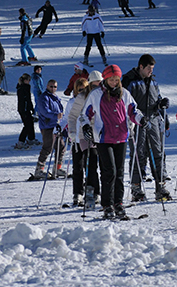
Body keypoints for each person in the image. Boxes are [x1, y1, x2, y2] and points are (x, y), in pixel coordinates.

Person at [80, 65, 146, 219]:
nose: (114, 82)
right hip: (103, 138)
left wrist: (142, 120)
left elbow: (133, 112)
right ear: (106, 79)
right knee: (109, 171)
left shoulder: (125, 94)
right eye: (111, 79)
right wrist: (85, 127)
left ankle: (118, 203)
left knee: (119, 173)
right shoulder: (96, 95)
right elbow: (84, 114)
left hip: (121, 137)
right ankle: (107, 204)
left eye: (116, 79)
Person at [122, 54, 171, 202]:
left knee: (158, 151)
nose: (151, 71)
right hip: (137, 120)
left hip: (153, 120)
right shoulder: (130, 81)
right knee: (139, 153)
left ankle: (160, 185)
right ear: (141, 67)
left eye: (153, 69)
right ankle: (136, 186)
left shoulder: (153, 81)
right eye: (149, 68)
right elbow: (124, 102)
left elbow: (157, 99)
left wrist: (162, 108)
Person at [66, 78, 100, 207]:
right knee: (78, 166)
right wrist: (70, 132)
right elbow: (69, 117)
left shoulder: (97, 97)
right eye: (80, 89)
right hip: (78, 136)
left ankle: (94, 192)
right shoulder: (73, 101)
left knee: (91, 165)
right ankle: (78, 193)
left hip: (92, 136)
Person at [29, 80, 66, 180]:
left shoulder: (55, 98)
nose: (53, 88)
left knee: (61, 147)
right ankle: (39, 169)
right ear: (47, 86)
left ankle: (57, 168)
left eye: (55, 87)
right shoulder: (44, 97)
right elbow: (44, 111)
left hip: (56, 126)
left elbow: (60, 110)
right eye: (51, 86)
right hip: (48, 126)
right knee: (47, 147)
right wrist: (56, 115)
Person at [15, 73, 39, 149]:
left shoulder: (25, 87)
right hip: (23, 109)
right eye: (28, 80)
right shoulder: (23, 88)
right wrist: (27, 108)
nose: (29, 81)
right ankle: (21, 141)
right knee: (27, 125)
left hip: (26, 108)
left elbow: (28, 99)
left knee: (30, 123)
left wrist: (31, 108)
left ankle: (31, 138)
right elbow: (24, 100)